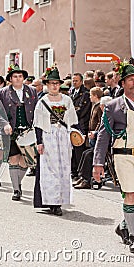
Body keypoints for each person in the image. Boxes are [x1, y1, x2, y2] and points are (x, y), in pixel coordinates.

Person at [93, 63, 134, 253]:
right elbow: (103, 136)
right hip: (123, 156)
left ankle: (125, 226)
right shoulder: (113, 106)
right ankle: (133, 236)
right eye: (131, 79)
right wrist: (98, 163)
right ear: (123, 83)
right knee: (131, 194)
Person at [33, 67, 78, 216]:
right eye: (51, 83)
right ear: (47, 85)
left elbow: (72, 121)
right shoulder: (42, 102)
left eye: (57, 83)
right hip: (48, 136)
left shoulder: (67, 100)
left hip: (63, 137)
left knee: (63, 169)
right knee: (49, 170)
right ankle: (51, 202)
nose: (54, 86)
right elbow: (38, 124)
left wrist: (76, 134)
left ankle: (60, 200)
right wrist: (39, 142)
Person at [0, 64, 38, 201]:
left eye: (20, 76)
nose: (18, 79)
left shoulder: (32, 91)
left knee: (26, 161)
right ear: (10, 79)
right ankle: (16, 189)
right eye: (15, 76)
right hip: (11, 131)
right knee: (13, 159)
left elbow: (37, 110)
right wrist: (5, 124)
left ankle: (17, 181)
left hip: (28, 131)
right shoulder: (3, 92)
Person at [74, 90, 110, 190]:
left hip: (107, 145)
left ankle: (86, 180)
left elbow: (101, 126)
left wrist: (95, 132)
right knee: (86, 153)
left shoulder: (108, 116)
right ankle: (82, 177)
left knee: (89, 155)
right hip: (97, 138)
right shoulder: (97, 107)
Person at [70, 73, 91, 181]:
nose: (74, 83)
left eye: (76, 81)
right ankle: (73, 171)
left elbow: (82, 110)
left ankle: (79, 173)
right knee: (73, 151)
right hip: (72, 124)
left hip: (81, 125)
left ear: (81, 81)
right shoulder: (72, 92)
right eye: (73, 81)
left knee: (79, 150)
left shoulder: (85, 94)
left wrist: (70, 114)